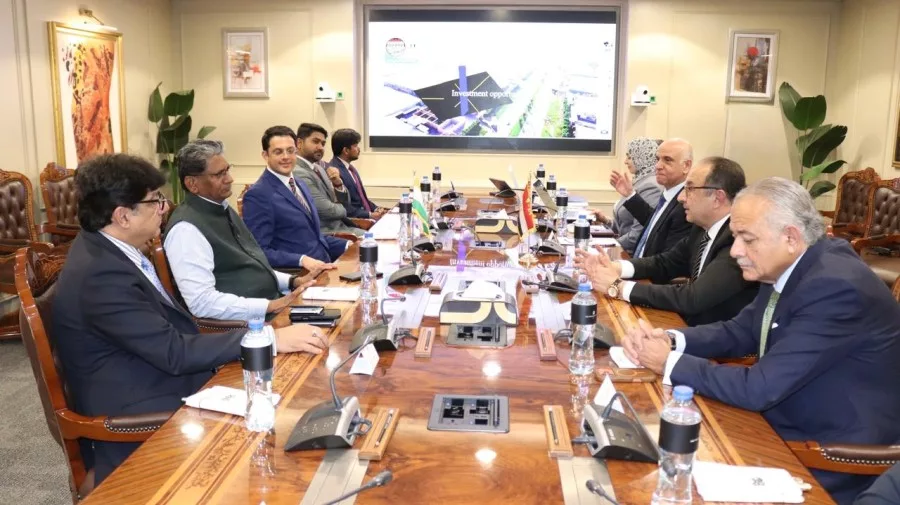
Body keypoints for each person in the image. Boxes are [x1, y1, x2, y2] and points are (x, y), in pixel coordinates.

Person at [52, 153, 329, 485]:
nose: (163, 208)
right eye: (155, 201)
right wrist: (268, 339)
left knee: (287, 399)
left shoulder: (109, 249)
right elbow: (173, 352)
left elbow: (166, 336)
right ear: (123, 215)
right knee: (282, 442)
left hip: (158, 378)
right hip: (138, 416)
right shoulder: (101, 275)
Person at [621, 177, 900, 504]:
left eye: (747, 239)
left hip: (824, 453)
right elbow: (741, 331)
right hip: (774, 421)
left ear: (790, 237)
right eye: (735, 237)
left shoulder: (835, 287)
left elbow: (759, 388)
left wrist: (668, 363)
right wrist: (670, 340)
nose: (735, 251)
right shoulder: (790, 263)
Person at [576, 157, 757, 326]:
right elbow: (664, 263)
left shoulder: (737, 240)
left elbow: (693, 298)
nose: (681, 197)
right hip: (688, 326)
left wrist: (618, 286)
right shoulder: (701, 229)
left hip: (716, 341)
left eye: (690, 189)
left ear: (718, 198)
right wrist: (616, 267)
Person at [164, 139, 320, 321]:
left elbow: (250, 265)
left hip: (272, 305)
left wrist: (294, 281)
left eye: (227, 170)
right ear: (192, 183)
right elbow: (202, 303)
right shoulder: (186, 230)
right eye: (219, 174)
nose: (230, 179)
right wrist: (271, 305)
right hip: (250, 323)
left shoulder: (221, 208)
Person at [243, 126, 349, 268]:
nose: (286, 157)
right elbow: (258, 251)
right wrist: (301, 260)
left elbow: (312, 237)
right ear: (265, 155)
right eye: (278, 152)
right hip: (301, 273)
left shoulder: (299, 183)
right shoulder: (258, 195)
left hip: (326, 264)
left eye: (290, 151)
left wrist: (349, 245)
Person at [611, 138, 693, 259]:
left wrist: (625, 266)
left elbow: (668, 260)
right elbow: (655, 222)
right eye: (657, 159)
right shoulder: (668, 192)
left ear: (686, 165)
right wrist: (630, 195)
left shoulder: (685, 204)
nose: (658, 166)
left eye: (667, 160)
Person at [291, 123, 364, 236]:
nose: (320, 147)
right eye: (315, 141)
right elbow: (327, 211)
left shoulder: (320, 168)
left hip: (343, 227)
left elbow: (346, 202)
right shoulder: (297, 172)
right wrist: (342, 208)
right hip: (327, 233)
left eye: (323, 143)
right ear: (299, 143)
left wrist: (338, 184)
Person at [593, 137, 661, 254]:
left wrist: (605, 245)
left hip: (629, 255)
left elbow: (636, 236)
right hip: (622, 250)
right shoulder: (639, 181)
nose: (625, 161)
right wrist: (605, 220)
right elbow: (624, 226)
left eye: (629, 157)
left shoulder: (651, 186)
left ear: (641, 157)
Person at [328, 128, 387, 219]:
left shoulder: (351, 168)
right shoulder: (334, 172)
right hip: (356, 221)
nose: (358, 149)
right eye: (355, 146)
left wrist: (377, 208)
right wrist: (370, 215)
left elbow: (362, 199)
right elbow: (345, 207)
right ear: (346, 150)